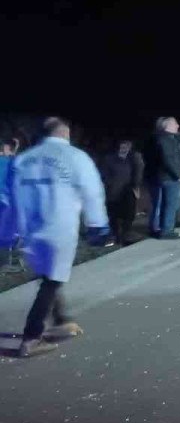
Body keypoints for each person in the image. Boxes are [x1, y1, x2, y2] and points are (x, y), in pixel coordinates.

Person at [12, 117, 109, 358]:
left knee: (48, 275)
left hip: (31, 229)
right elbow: (92, 191)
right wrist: (98, 225)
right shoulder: (75, 157)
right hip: (59, 227)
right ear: (65, 132)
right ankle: (31, 338)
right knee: (52, 280)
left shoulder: (24, 159)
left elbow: (14, 197)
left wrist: (10, 230)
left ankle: (61, 319)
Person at [144, 116, 180, 239]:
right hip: (169, 177)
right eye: (175, 124)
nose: (178, 126)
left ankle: (163, 228)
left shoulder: (167, 138)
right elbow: (168, 159)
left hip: (165, 176)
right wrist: (178, 174)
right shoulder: (165, 140)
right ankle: (166, 230)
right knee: (171, 204)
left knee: (166, 204)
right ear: (167, 126)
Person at [100, 139, 144, 244]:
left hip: (128, 191)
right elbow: (104, 174)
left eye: (127, 146)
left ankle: (126, 234)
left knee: (129, 214)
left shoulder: (133, 158)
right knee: (113, 215)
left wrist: (136, 186)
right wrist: (109, 185)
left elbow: (138, 173)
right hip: (113, 191)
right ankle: (115, 235)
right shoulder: (110, 159)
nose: (125, 148)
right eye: (123, 146)